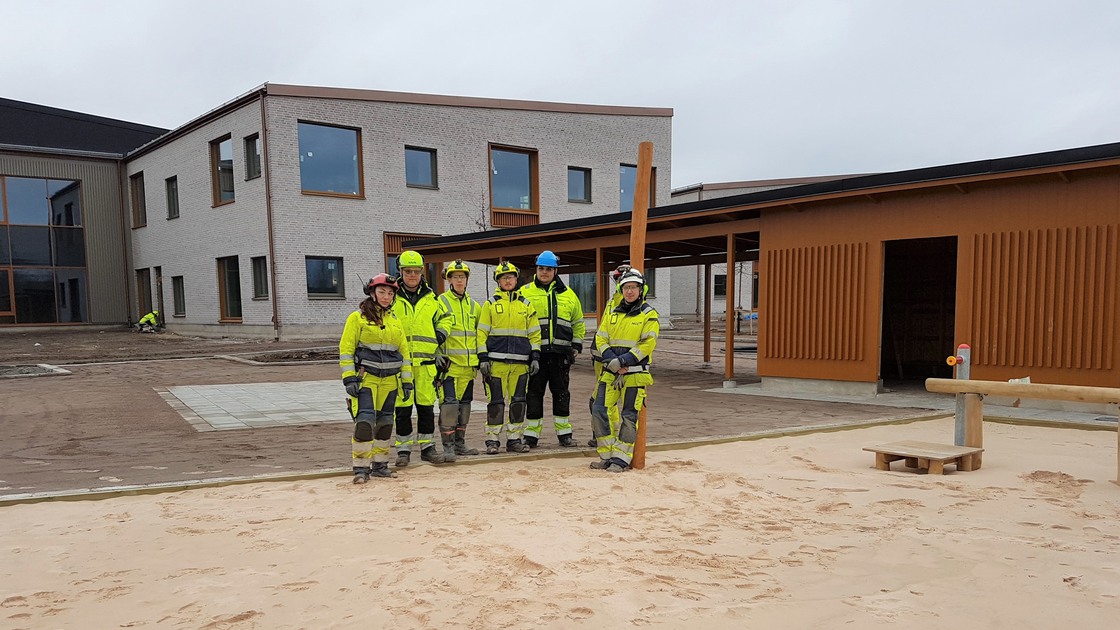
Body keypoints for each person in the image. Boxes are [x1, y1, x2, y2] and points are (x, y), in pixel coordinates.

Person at [340, 274, 412, 483]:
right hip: (367, 379)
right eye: (382, 292)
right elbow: (346, 350)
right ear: (372, 293)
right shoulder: (357, 318)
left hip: (390, 381)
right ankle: (361, 468)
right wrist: (349, 378)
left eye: (390, 293)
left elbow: (404, 354)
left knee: (385, 424)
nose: (386, 296)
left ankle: (380, 465)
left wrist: (407, 381)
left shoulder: (396, 321)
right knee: (364, 423)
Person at [590, 269, 659, 472]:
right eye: (626, 288)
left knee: (629, 416)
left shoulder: (649, 314)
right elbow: (601, 338)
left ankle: (620, 459)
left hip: (635, 374)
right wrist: (611, 359)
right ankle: (607, 455)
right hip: (610, 372)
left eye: (633, 288)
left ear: (641, 290)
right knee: (599, 410)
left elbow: (648, 343)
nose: (629, 292)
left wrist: (623, 360)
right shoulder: (612, 313)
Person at [392, 251, 453, 466]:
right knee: (402, 409)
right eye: (407, 271)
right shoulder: (392, 297)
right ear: (400, 272)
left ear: (421, 273)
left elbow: (447, 319)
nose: (411, 275)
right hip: (401, 365)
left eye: (416, 272)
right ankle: (404, 450)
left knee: (426, 408)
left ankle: (427, 447)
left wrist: (440, 335)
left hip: (426, 364)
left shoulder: (432, 298)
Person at [520, 250, 585, 448]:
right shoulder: (525, 292)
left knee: (561, 394)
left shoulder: (569, 295)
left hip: (560, 355)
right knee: (533, 394)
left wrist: (576, 345)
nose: (544, 272)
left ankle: (564, 435)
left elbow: (578, 322)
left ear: (555, 270)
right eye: (541, 268)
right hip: (536, 355)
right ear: (536, 269)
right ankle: (531, 436)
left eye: (549, 269)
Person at [476, 261, 541, 455]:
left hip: (521, 364)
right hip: (495, 363)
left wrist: (535, 356)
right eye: (504, 277)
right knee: (496, 402)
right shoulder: (490, 305)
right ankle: (492, 440)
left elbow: (535, 334)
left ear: (516, 279)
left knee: (519, 401)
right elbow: (481, 334)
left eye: (511, 277)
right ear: (498, 281)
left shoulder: (527, 305)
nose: (508, 280)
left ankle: (514, 439)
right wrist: (483, 358)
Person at [586, 264, 639, 447]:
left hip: (619, 363)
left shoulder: (623, 302)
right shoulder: (614, 301)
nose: (619, 283)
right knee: (599, 403)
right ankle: (605, 437)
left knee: (606, 404)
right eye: (617, 279)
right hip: (604, 360)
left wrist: (620, 360)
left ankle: (612, 437)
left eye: (622, 280)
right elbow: (604, 333)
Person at [436, 260, 482, 457]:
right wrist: (436, 353)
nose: (459, 280)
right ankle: (447, 447)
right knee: (449, 407)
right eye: (455, 277)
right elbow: (432, 331)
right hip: (449, 367)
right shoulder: (440, 302)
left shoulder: (475, 306)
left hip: (469, 368)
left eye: (462, 277)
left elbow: (480, 335)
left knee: (464, 407)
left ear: (467, 279)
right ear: (449, 280)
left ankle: (459, 444)